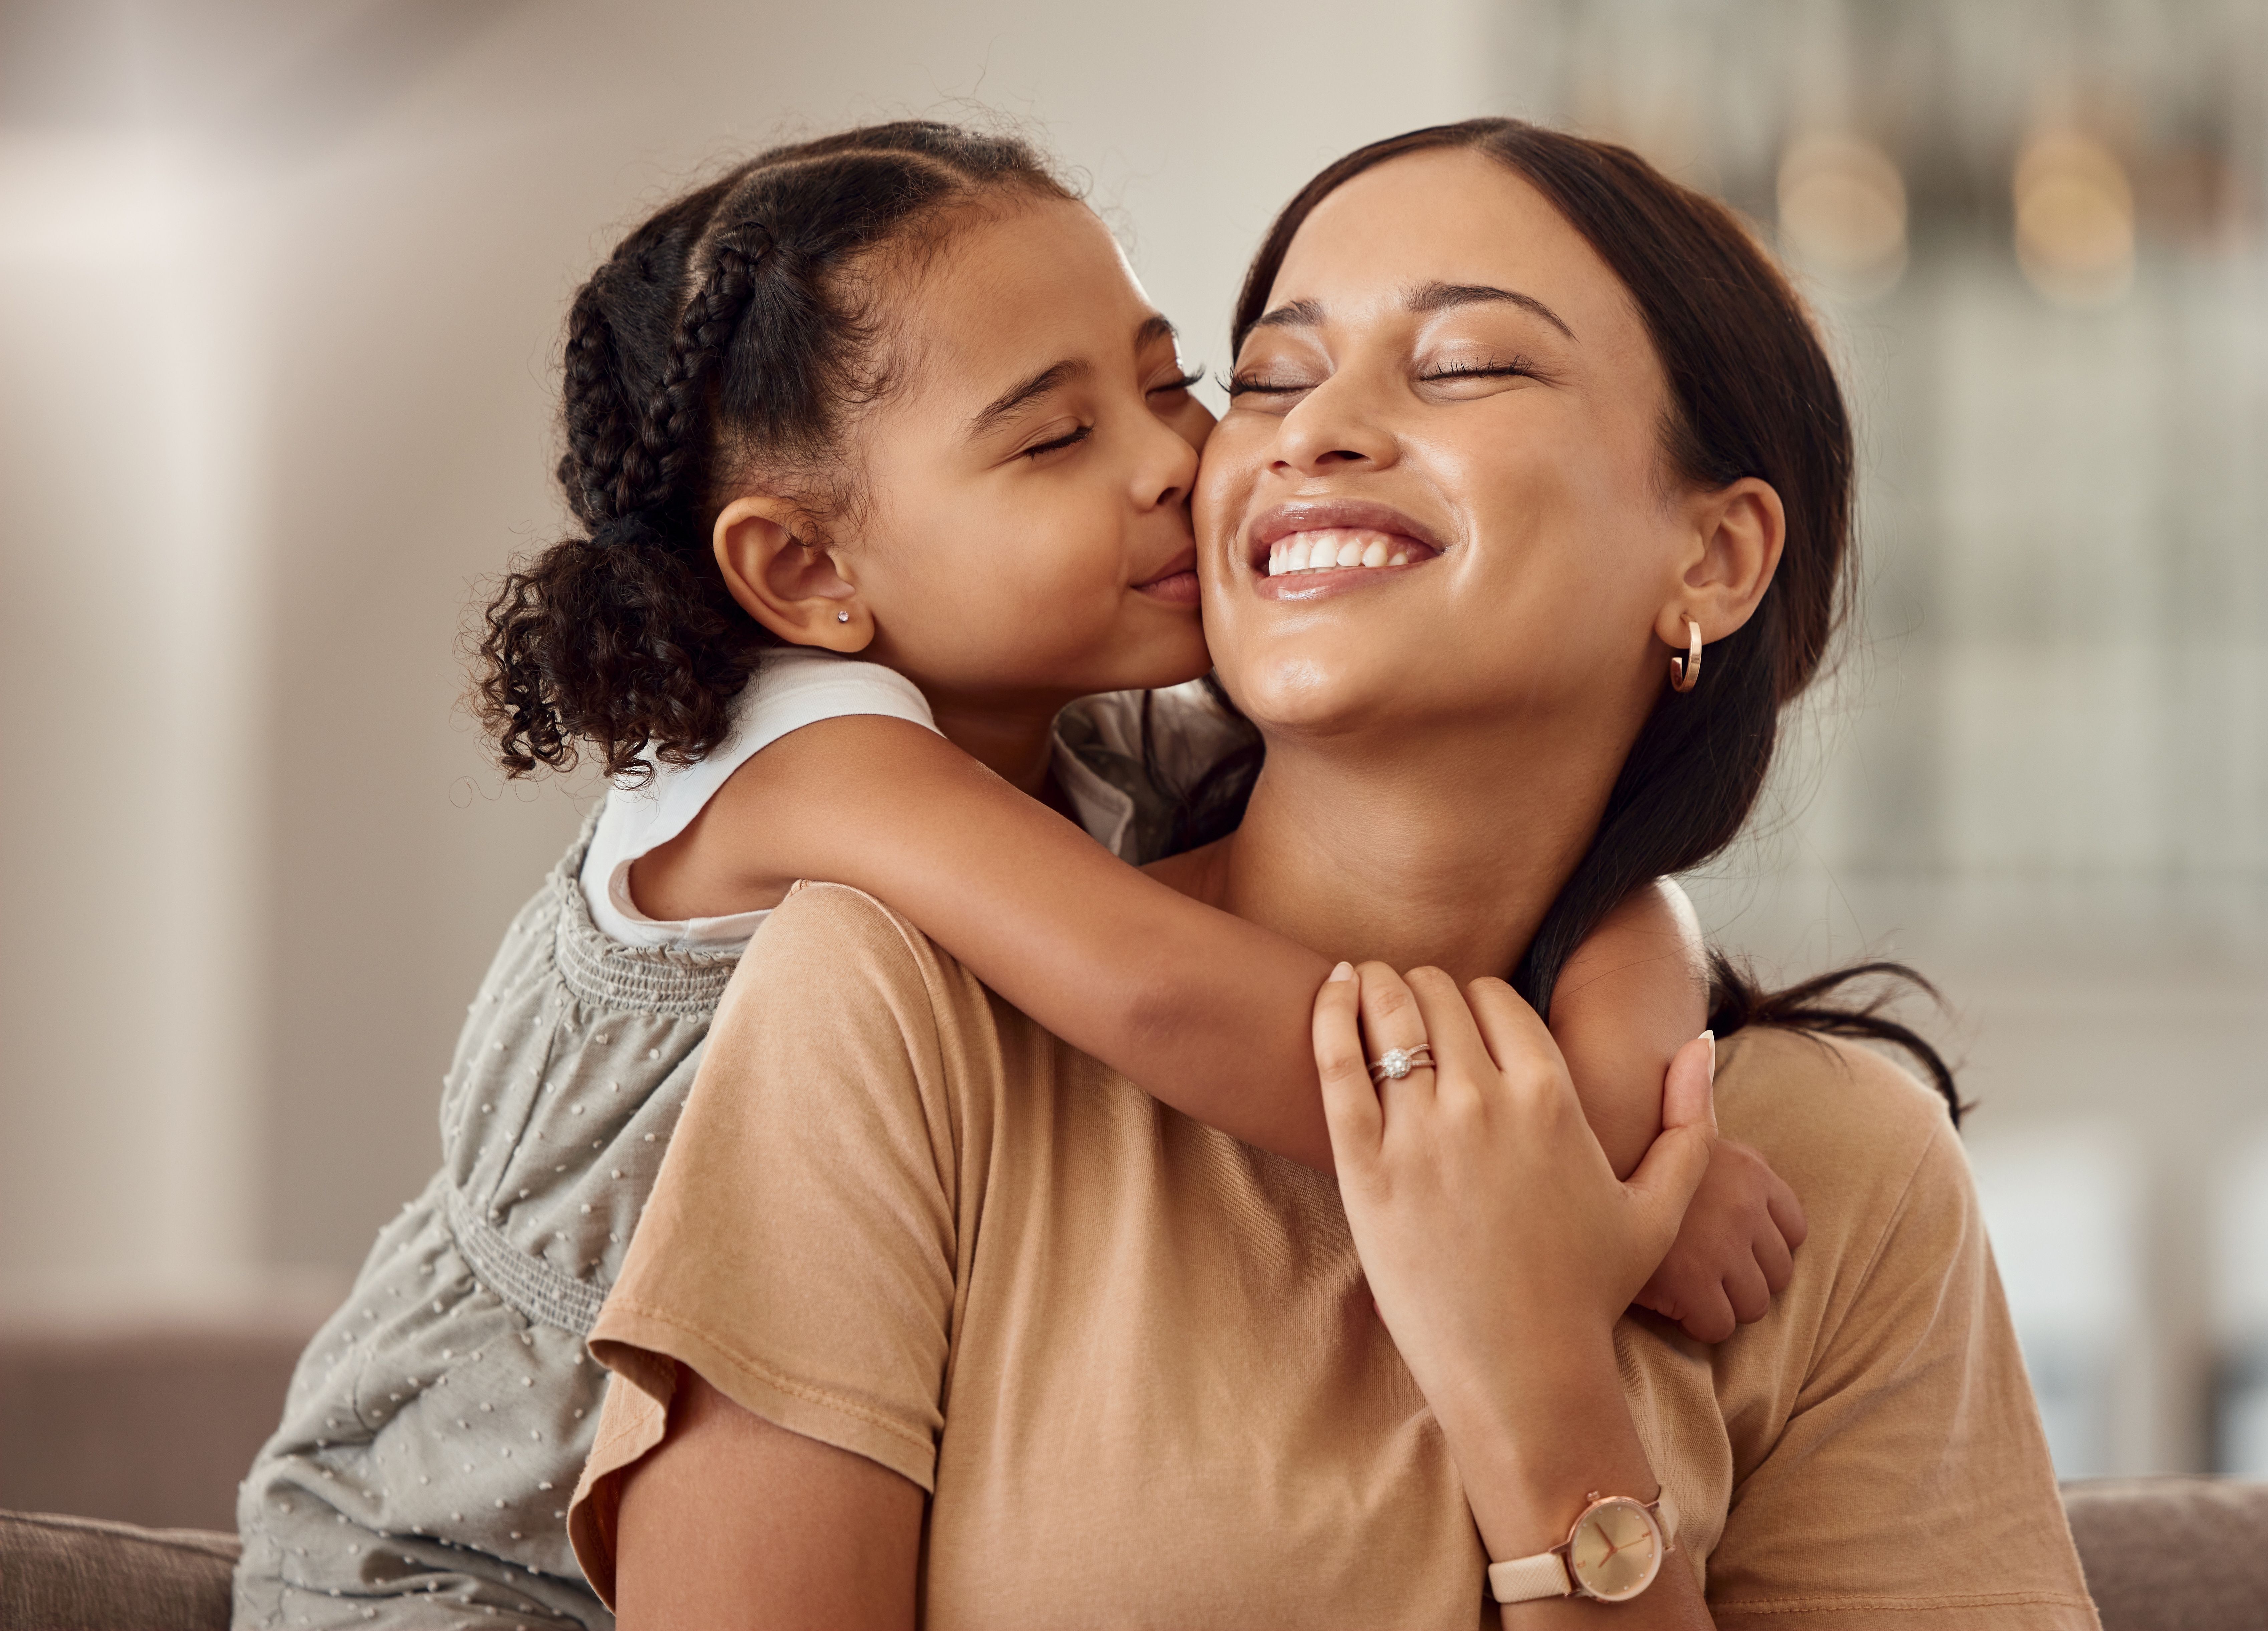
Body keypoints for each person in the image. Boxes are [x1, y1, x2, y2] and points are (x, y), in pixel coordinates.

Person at [234, 121, 1798, 1631]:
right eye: (1054, 438)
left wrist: (1625, 1041)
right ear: (807, 572)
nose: (1174, 463)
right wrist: (1570, 1183)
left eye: (1174, 382)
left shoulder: (1105, 740)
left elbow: (1576, 880)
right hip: (446, 1561)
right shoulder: (810, 763)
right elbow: (1168, 990)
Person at [569, 119, 2099, 1628]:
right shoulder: (893, 999)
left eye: (1466, 364)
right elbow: (1159, 987)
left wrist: (1541, 1401)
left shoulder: (1839, 1172)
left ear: (1711, 557)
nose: (1303, 432)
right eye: (1275, 376)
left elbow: (1620, 902)